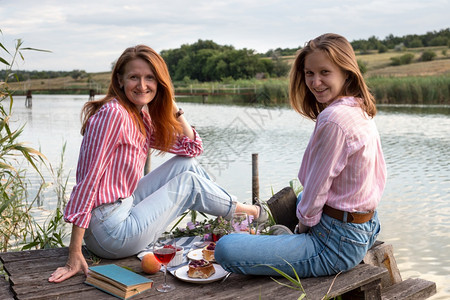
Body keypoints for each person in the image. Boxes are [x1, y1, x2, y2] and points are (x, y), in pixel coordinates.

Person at [48, 45, 266, 283]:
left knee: (186, 166)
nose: (142, 85)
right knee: (189, 183)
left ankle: (236, 219)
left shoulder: (138, 115)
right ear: (120, 80)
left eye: (150, 78)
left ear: (159, 82)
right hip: (109, 232)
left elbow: (191, 149)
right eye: (134, 77)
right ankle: (257, 214)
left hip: (125, 205)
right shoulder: (114, 114)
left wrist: (174, 108)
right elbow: (88, 180)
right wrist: (74, 252)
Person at [215, 33, 387, 278]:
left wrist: (302, 229)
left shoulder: (334, 119)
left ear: (346, 72)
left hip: (336, 244)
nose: (315, 82)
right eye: (309, 73)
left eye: (325, 72)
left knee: (225, 249)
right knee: (301, 196)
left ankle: (285, 237)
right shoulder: (358, 107)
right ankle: (283, 237)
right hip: (366, 226)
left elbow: (318, 188)